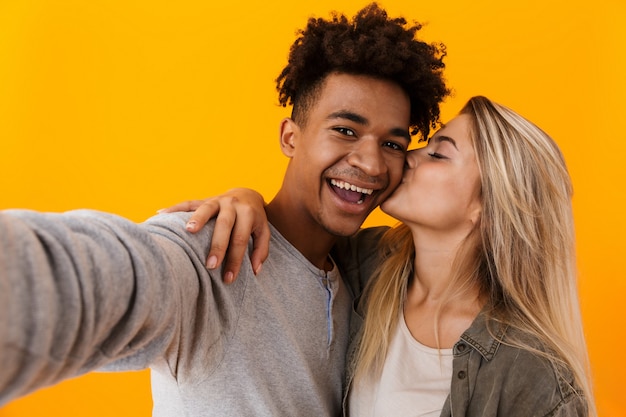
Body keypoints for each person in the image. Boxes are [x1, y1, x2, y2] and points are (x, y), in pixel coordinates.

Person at [0, 3, 449, 416]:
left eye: (392, 143)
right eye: (345, 130)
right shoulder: (214, 248)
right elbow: (111, 276)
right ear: (290, 138)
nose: (371, 163)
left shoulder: (367, 278)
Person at [175, 96, 596, 416]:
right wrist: (245, 201)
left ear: (486, 205)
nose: (405, 159)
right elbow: (293, 230)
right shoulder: (364, 266)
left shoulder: (534, 377)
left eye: (438, 153)